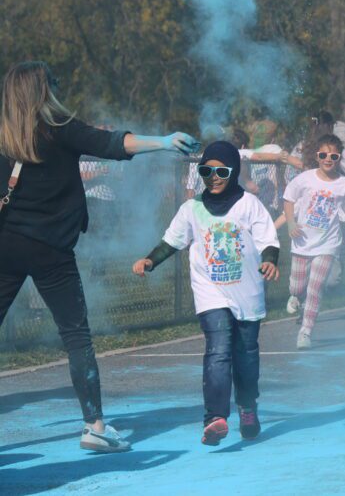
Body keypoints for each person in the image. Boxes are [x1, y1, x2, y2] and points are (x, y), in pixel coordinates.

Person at [0, 61, 200, 454]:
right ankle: (94, 425)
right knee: (76, 336)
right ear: (41, 90)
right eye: (52, 82)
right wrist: (162, 140)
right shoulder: (60, 129)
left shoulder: (4, 137)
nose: (57, 87)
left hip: (7, 245)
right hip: (51, 250)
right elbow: (113, 144)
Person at [133, 141, 280, 446]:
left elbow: (269, 239)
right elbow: (172, 242)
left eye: (221, 171)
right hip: (210, 292)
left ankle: (248, 407)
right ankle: (215, 417)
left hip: (247, 294)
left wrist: (269, 260)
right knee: (218, 348)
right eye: (206, 170)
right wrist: (150, 260)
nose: (213, 177)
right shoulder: (192, 208)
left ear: (234, 171)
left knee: (246, 356)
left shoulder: (249, 204)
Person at [283, 134, 345, 349]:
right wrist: (290, 223)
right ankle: (295, 296)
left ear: (339, 159)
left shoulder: (344, 183)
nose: (328, 159)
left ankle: (306, 331)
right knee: (297, 286)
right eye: (324, 155)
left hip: (328, 243)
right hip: (302, 241)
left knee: (315, 287)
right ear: (317, 156)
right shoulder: (305, 179)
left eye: (333, 156)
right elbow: (288, 199)